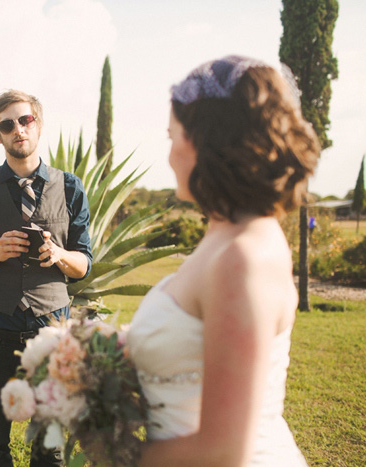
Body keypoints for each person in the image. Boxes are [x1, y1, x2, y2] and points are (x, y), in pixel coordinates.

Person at [127, 56, 319, 466]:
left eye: (171, 136)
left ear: (205, 142)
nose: (168, 156)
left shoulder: (243, 255)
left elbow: (222, 453)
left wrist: (116, 458)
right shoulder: (225, 233)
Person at [0, 90, 92, 467]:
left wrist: (61, 255)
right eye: (7, 124)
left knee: (51, 451)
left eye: (25, 120)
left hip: (52, 334)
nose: (18, 130)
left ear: (38, 125)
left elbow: (84, 263)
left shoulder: (71, 187)